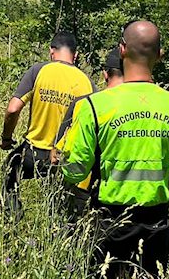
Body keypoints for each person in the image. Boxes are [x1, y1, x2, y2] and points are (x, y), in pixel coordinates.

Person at [61, 21, 169, 279]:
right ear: (160, 55)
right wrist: (167, 194)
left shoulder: (95, 106)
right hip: (156, 222)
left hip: (108, 221)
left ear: (122, 50)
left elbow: (75, 168)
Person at [0, 31, 96, 220]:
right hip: (65, 159)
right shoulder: (88, 83)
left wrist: (6, 138)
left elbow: (13, 109)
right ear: (75, 56)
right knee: (59, 207)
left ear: (51, 51)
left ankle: (13, 222)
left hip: (33, 154)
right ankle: (55, 236)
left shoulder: (39, 71)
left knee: (9, 171)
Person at [51, 46, 124, 220]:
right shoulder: (137, 110)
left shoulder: (85, 104)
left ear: (105, 74)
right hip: (118, 195)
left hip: (78, 188)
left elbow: (56, 153)